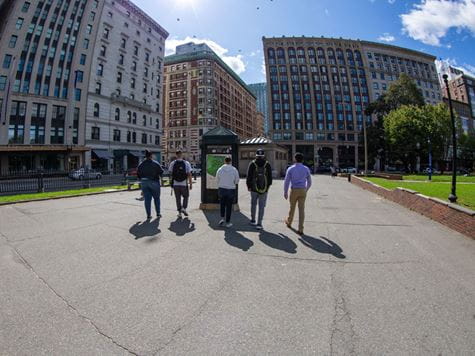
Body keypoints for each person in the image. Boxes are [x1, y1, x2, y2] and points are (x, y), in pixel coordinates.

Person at [284, 152, 312, 235]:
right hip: (303, 190)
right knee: (301, 210)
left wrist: (285, 191)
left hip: (294, 190)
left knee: (292, 207)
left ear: (295, 159)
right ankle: (300, 229)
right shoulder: (306, 169)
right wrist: (306, 189)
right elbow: (309, 181)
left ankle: (289, 222)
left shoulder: (291, 169)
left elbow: (286, 181)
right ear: (302, 159)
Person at [246, 148, 272, 230]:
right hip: (264, 189)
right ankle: (259, 223)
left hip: (253, 188)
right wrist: (267, 187)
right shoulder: (267, 164)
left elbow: (249, 176)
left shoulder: (252, 164)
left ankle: (253, 220)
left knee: (253, 204)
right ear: (263, 155)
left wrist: (249, 186)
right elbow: (270, 178)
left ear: (256, 155)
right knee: (261, 206)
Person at [137, 150, 164, 220]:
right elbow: (161, 172)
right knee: (156, 198)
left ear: (145, 156)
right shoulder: (155, 163)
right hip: (154, 181)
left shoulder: (141, 164)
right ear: (151, 156)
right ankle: (158, 213)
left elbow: (138, 174)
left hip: (144, 182)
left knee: (147, 200)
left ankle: (148, 215)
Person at [216, 157, 240, 228]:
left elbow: (217, 179)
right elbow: (237, 180)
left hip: (222, 189)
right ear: (230, 161)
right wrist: (233, 183)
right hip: (230, 189)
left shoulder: (220, 169)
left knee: (222, 204)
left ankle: (222, 218)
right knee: (229, 206)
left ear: (224, 161)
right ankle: (228, 222)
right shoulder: (234, 169)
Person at [168, 150, 192, 219]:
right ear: (181, 155)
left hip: (175, 184)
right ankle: (184, 208)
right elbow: (189, 174)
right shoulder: (186, 163)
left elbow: (170, 173)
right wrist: (190, 184)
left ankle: (179, 212)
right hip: (184, 183)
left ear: (176, 155)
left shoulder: (173, 163)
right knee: (186, 196)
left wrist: (171, 182)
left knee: (177, 198)